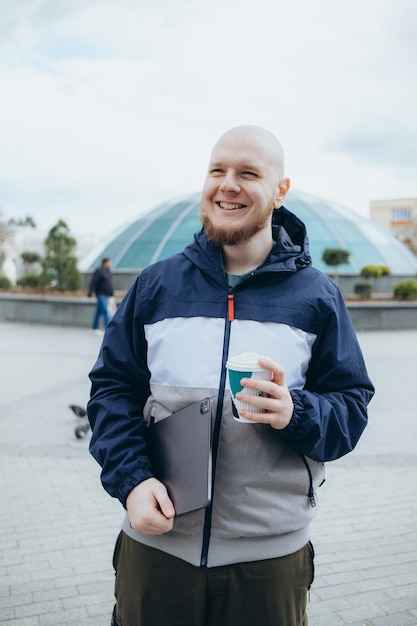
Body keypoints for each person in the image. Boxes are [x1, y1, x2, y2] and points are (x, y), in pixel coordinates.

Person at [87, 125, 374, 626]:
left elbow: (351, 407)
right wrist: (132, 483)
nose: (228, 185)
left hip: (268, 562)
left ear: (280, 191)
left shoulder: (317, 298)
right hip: (157, 552)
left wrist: (295, 412)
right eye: (217, 170)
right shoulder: (156, 286)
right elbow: (112, 391)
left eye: (248, 173)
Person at [87, 257, 114, 333]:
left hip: (106, 294)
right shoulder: (99, 271)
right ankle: (108, 328)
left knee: (99, 312)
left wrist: (111, 293)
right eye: (109, 262)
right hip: (100, 293)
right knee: (105, 311)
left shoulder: (108, 271)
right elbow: (94, 281)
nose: (110, 264)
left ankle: (94, 328)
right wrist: (90, 291)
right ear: (105, 263)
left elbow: (109, 283)